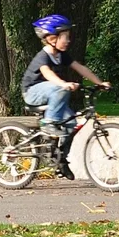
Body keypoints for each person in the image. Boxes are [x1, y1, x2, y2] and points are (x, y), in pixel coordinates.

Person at [21, 14, 110, 180]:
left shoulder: (62, 55)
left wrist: (99, 82)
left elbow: (80, 68)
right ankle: (48, 123)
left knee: (71, 123)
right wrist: (63, 84)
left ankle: (60, 159)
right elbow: (46, 73)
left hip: (52, 94)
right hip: (32, 93)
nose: (68, 40)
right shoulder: (44, 55)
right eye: (65, 37)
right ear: (52, 38)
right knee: (59, 89)